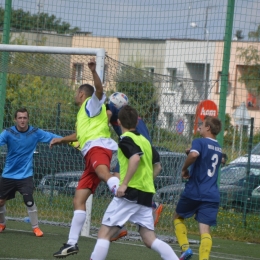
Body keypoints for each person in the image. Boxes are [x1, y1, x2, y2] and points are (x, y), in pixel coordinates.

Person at [90, 105, 179, 260]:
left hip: (129, 194)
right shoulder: (144, 141)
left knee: (104, 234)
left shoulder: (125, 139)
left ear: (118, 122)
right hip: (145, 196)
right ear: (136, 123)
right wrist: (146, 182)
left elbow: (135, 158)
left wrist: (124, 184)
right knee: (149, 238)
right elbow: (158, 166)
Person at [51, 58, 119, 258]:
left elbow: (99, 90)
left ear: (81, 94)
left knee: (103, 173)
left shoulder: (91, 103)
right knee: (78, 199)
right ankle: (72, 243)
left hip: (99, 148)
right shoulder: (84, 114)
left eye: (76, 92)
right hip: (90, 154)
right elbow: (79, 136)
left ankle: (124, 192)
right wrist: (61, 140)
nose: (75, 95)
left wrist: (93, 71)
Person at [106, 96, 163, 242]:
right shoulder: (129, 117)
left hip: (134, 149)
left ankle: (120, 225)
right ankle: (122, 224)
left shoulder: (113, 110)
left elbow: (107, 116)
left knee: (119, 182)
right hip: (138, 148)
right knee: (117, 179)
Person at [0, 107, 62, 237]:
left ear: (28, 119)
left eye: (24, 118)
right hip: (8, 174)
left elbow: (53, 137)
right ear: (15, 119)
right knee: (0, 201)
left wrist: (70, 140)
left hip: (25, 175)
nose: (22, 120)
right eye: (20, 118)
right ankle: (2, 223)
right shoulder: (8, 133)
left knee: (29, 200)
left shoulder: (35, 132)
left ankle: (36, 228)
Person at [173, 116, 222, 260]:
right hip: (212, 194)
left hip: (195, 191)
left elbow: (194, 155)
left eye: (202, 124)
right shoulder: (218, 147)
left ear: (208, 128)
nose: (199, 126)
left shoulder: (199, 142)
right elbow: (212, 159)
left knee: (177, 216)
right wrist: (192, 153)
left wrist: (184, 168)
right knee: (205, 230)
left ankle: (185, 249)